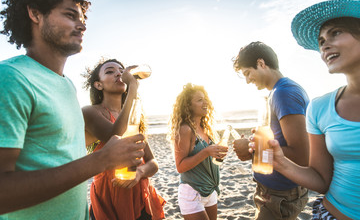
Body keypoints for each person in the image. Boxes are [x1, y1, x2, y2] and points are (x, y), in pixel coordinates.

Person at [0, 0, 145, 219]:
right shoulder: (11, 78)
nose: (83, 26)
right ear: (35, 13)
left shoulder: (66, 85)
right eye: (70, 15)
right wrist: (101, 161)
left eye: (83, 19)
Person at [268, 0, 360, 220]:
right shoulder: (319, 108)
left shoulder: (285, 92)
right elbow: (321, 180)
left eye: (335, 33)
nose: (324, 45)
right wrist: (280, 162)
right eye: (321, 41)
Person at [232, 41, 310, 220]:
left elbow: (301, 155)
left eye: (247, 73)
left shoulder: (284, 93)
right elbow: (280, 141)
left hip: (280, 196)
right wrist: (256, 141)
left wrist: (252, 151)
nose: (247, 80)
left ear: (261, 63)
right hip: (275, 192)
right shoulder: (277, 92)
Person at [82, 58, 166, 220]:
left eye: (121, 70)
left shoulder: (135, 116)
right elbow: (116, 135)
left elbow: (152, 163)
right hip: (109, 202)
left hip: (139, 198)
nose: (119, 74)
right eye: (110, 71)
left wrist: (140, 172)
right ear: (99, 85)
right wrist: (133, 87)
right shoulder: (90, 112)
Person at [168, 83, 228, 220]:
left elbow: (208, 158)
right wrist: (207, 152)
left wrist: (217, 153)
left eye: (205, 98)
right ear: (188, 106)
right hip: (192, 193)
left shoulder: (206, 129)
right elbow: (180, 166)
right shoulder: (185, 129)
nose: (205, 102)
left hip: (210, 190)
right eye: (200, 100)